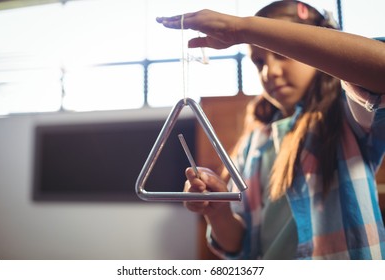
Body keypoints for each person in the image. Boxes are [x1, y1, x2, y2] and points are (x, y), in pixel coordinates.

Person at [157, 0, 385, 259]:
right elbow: (238, 245)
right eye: (258, 62)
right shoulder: (255, 144)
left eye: (283, 55)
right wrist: (217, 211)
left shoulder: (346, 116)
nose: (270, 72)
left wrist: (243, 28)